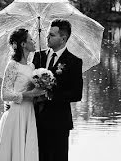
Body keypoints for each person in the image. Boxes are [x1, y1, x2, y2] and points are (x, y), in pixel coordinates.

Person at [32, 19, 83, 161]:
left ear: (63, 38)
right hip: (36, 119)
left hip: (59, 121)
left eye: (52, 35)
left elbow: (77, 94)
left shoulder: (74, 61)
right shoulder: (38, 56)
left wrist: (51, 95)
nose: (47, 37)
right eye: (47, 34)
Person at [0, 28, 46, 161]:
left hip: (29, 113)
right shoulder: (12, 65)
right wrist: (29, 94)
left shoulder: (32, 67)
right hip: (16, 113)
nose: (34, 42)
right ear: (23, 44)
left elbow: (34, 92)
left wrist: (42, 88)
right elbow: (4, 94)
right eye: (30, 40)